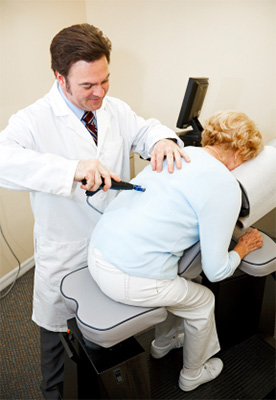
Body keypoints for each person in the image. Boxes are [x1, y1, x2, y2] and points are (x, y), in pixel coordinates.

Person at [0, 23, 189, 399]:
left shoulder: (113, 108)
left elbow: (144, 129)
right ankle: (52, 390)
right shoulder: (33, 119)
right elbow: (4, 160)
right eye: (88, 86)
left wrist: (162, 139)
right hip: (65, 245)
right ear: (60, 78)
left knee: (106, 320)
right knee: (57, 330)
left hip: (112, 240)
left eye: (105, 81)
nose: (99, 92)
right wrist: (71, 169)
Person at [88, 110, 264, 392]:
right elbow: (216, 271)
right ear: (240, 151)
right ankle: (193, 373)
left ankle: (163, 343)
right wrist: (241, 248)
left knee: (182, 283)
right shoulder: (224, 185)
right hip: (128, 277)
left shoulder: (177, 152)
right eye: (245, 159)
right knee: (202, 300)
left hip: (97, 251)